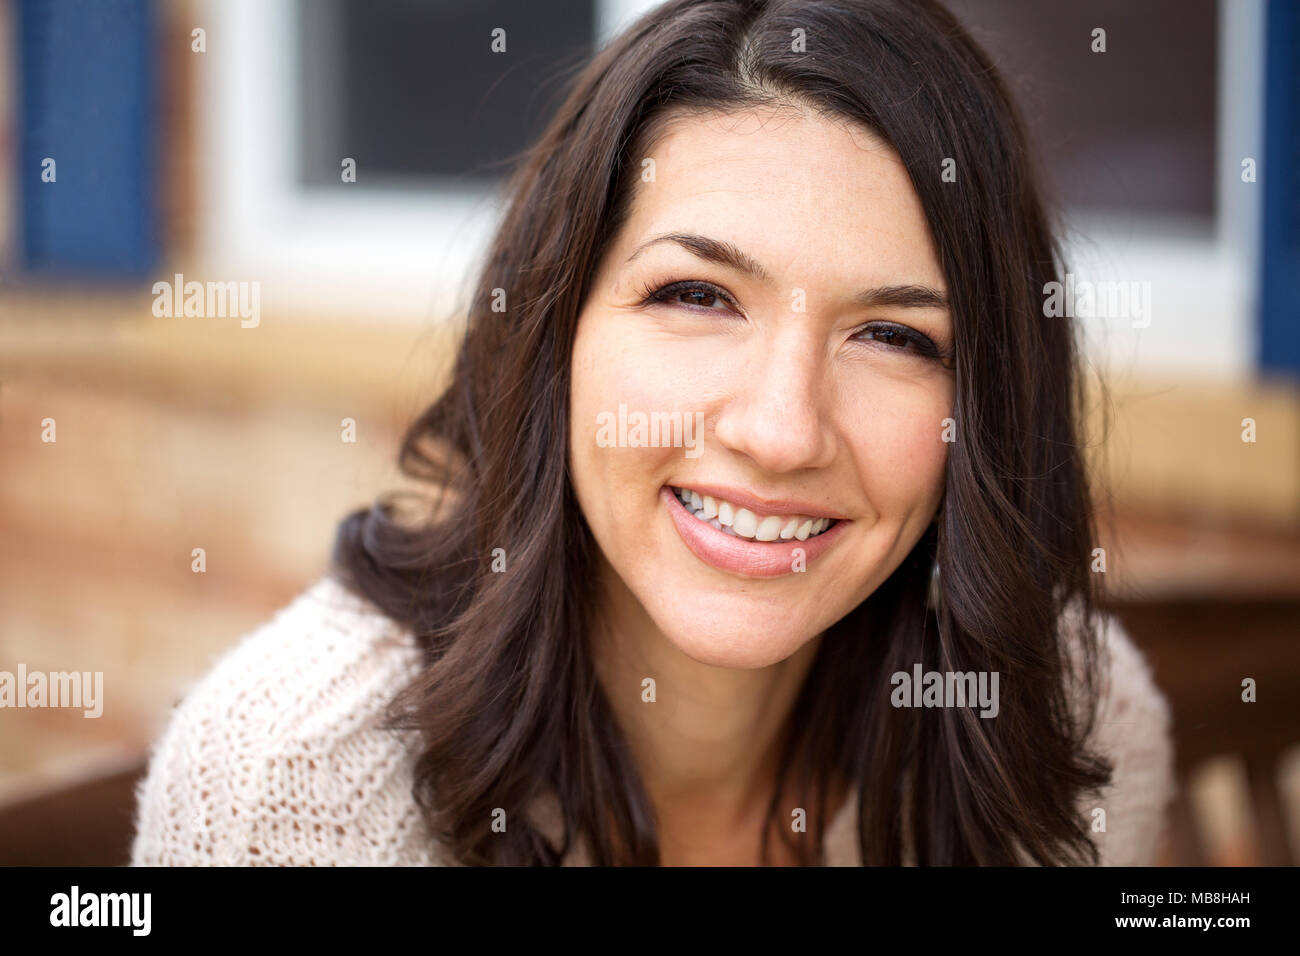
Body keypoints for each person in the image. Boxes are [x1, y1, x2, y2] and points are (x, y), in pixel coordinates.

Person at [131, 0, 1175, 867]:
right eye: (696, 293)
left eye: (893, 333)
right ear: (554, 330)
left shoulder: (1071, 721)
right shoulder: (288, 792)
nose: (778, 429)